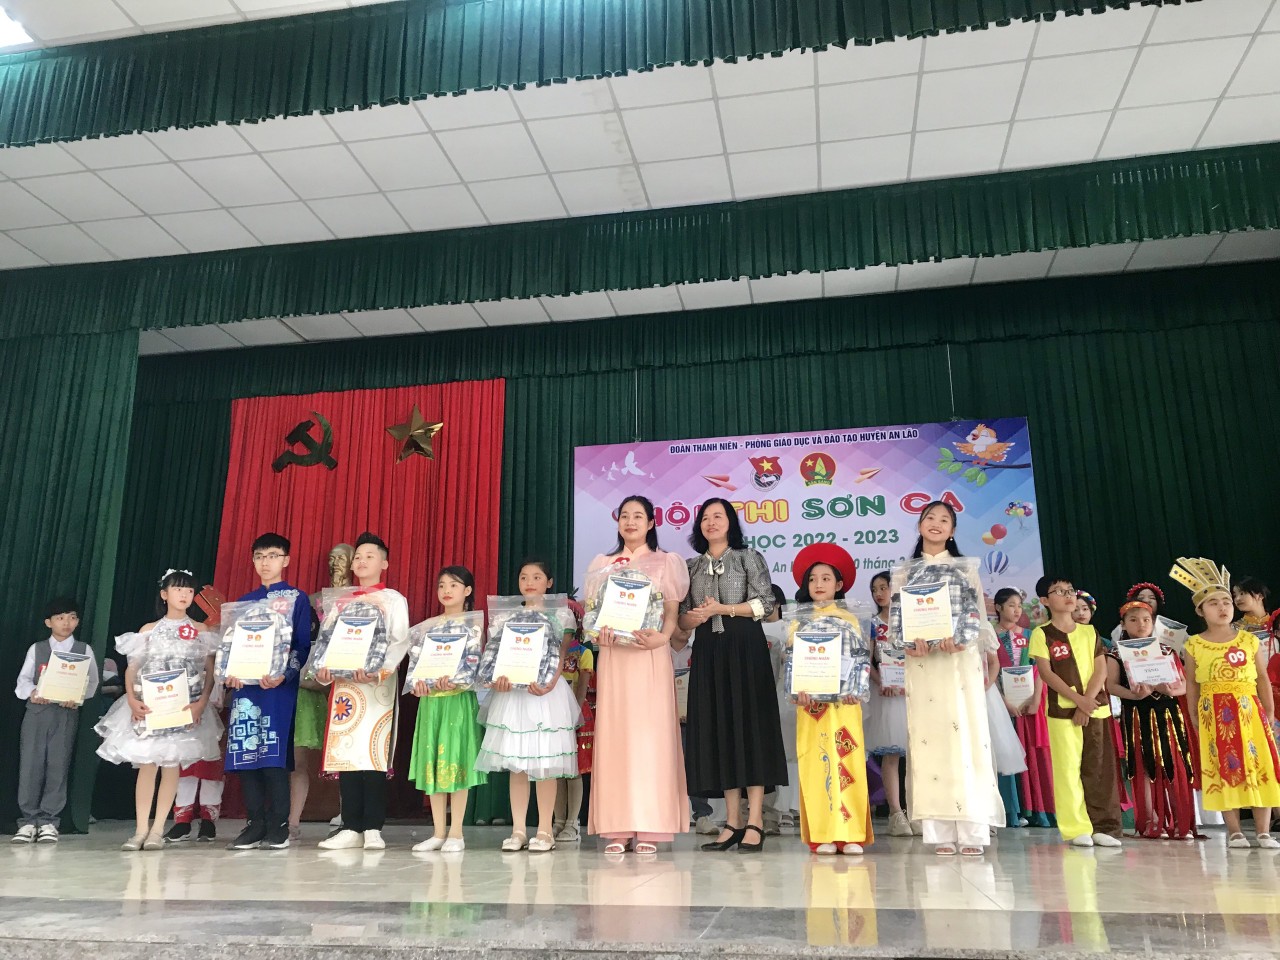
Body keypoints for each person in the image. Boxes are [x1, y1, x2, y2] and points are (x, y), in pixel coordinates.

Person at [891, 501, 1002, 856]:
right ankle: (939, 831)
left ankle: (972, 831)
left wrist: (965, 641)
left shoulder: (965, 568)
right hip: (923, 665)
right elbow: (896, 620)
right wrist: (909, 645)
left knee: (965, 737)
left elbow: (978, 615)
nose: (936, 524)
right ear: (920, 525)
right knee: (930, 740)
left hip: (959, 662)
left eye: (944, 520)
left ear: (952, 531)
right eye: (930, 518)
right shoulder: (905, 571)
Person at [678, 498, 787, 853]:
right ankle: (732, 821)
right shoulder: (691, 566)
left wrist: (723, 608)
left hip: (746, 649)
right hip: (708, 652)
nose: (711, 522)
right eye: (705, 517)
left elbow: (766, 604)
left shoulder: (748, 557)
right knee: (719, 731)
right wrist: (694, 618)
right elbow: (682, 618)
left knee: (749, 728)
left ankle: (755, 819)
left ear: (730, 523)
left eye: (718, 516)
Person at [586, 495, 691, 854]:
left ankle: (651, 825)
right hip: (615, 657)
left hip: (650, 654)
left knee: (651, 737)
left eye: (638, 516)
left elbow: (672, 613)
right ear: (617, 522)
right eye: (624, 516)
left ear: (651, 523)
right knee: (616, 736)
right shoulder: (602, 564)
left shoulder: (666, 562)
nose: (630, 522)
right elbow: (593, 612)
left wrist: (664, 637)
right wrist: (597, 634)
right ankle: (617, 826)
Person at [95, 569, 222, 851]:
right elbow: (133, 668)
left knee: (171, 764)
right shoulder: (148, 630)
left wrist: (201, 702)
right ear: (164, 594)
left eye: (189, 590)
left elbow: (210, 671)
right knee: (148, 765)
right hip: (152, 705)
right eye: (178, 589)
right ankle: (140, 830)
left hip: (182, 707)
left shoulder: (200, 631)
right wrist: (131, 698)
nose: (184, 595)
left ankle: (157, 830)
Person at [476, 559, 581, 853]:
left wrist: (548, 683)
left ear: (549, 582)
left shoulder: (562, 614)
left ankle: (545, 830)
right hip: (513, 697)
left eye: (537, 577)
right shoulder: (506, 616)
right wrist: (497, 679)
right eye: (524, 577)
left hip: (546, 695)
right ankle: (519, 830)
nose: (529, 582)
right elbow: (496, 655)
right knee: (517, 764)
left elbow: (561, 654)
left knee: (544, 763)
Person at [314, 532, 411, 851]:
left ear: (385, 563)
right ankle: (350, 825)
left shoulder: (393, 599)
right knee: (347, 753)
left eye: (370, 556)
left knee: (373, 751)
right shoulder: (340, 601)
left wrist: (379, 669)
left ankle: (372, 826)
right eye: (358, 556)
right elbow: (326, 641)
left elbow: (400, 640)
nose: (361, 561)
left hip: (376, 686)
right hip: (346, 687)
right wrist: (323, 668)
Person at [1174, 557, 1280, 849]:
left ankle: (1263, 831)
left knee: (1259, 765)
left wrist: (1269, 711)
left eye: (1226, 602)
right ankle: (1234, 831)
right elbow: (1192, 685)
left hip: (1250, 710)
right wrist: (1194, 717)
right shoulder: (1194, 645)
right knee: (1222, 768)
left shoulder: (1248, 640)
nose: (1222, 607)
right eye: (1213, 603)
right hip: (1214, 713)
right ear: (1200, 610)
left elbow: (1262, 678)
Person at [223, 533, 312, 850]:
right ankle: (254, 823)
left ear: (286, 560)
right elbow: (231, 646)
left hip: (277, 689)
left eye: (273, 555)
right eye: (259, 556)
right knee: (246, 755)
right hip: (246, 690)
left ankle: (279, 824)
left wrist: (284, 675)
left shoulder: (297, 599)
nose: (266, 562)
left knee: (273, 757)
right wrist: (230, 673)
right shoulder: (244, 603)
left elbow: (302, 646)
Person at [789, 549, 873, 856]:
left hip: (844, 706)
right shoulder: (798, 621)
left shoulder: (850, 619)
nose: (818, 584)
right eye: (813, 579)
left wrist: (856, 689)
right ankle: (822, 834)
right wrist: (796, 691)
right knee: (815, 763)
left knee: (847, 762)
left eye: (826, 578)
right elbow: (792, 662)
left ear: (839, 585)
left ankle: (850, 834)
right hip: (811, 708)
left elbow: (861, 660)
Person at [1029, 574, 1122, 848]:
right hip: (1062, 711)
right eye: (1059, 591)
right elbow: (1047, 673)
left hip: (1095, 708)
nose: (1068, 595)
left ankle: (1104, 826)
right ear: (1045, 600)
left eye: (1070, 590)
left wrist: (1087, 701)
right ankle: (1076, 827)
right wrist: (1077, 700)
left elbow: (1101, 669)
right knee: (1068, 769)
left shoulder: (1090, 632)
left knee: (1100, 768)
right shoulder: (1042, 633)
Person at [409, 566, 487, 853]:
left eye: (453, 585)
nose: (446, 591)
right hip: (432, 702)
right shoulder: (427, 628)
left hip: (457, 701)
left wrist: (456, 680)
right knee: (433, 763)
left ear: (467, 591)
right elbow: (416, 666)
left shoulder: (472, 627)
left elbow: (473, 665)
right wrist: (417, 683)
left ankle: (456, 833)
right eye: (442, 585)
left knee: (456, 761)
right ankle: (438, 832)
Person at [1105, 600, 1196, 840]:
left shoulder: (1166, 650)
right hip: (1137, 714)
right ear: (1123, 624)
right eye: (1133, 620)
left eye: (1146, 620)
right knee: (1143, 766)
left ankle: (1180, 820)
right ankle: (1149, 820)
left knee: (1173, 763)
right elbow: (1110, 685)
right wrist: (1132, 694)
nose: (1141, 624)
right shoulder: (1115, 653)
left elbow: (1184, 684)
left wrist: (1170, 690)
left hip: (1168, 714)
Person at [11, 598, 100, 844]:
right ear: (48, 622)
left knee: (57, 765)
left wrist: (78, 697)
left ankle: (49, 821)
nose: (66, 623)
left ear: (78, 621)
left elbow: (92, 682)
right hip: (37, 713)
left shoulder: (83, 650)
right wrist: (33, 693)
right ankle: (28, 821)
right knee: (31, 765)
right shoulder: (37, 649)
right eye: (60, 618)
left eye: (72, 617)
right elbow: (22, 681)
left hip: (65, 713)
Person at [292, 542, 352, 840]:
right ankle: (291, 819)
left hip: (348, 679)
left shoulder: (360, 600)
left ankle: (347, 811)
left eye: (342, 558)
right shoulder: (312, 600)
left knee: (346, 747)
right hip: (311, 678)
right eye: (331, 558)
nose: (335, 563)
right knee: (298, 753)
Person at [993, 587, 1054, 828]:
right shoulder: (990, 636)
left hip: (1030, 706)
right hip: (1002, 705)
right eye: (1011, 605)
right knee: (1006, 754)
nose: (1017, 610)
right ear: (998, 608)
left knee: (1034, 755)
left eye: (1019, 605)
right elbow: (988, 672)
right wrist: (1003, 702)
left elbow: (1040, 668)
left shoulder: (1031, 635)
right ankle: (1012, 811)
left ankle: (1039, 810)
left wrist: (1036, 699)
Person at [862, 570, 912, 836]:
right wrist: (881, 680)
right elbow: (866, 659)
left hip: (913, 692)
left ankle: (917, 810)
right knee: (891, 754)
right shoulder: (872, 624)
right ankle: (896, 813)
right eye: (875, 589)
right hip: (886, 694)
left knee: (918, 755)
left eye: (884, 587)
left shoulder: (912, 620)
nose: (879, 593)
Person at [670, 624, 716, 833]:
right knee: (664, 768)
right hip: (664, 721)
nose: (685, 629)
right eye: (680, 624)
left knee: (697, 766)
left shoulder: (698, 651)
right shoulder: (659, 653)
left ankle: (702, 815)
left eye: (688, 625)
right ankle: (665, 816)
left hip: (693, 719)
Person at [554, 630, 594, 844]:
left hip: (575, 714)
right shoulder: (551, 650)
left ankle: (572, 823)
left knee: (574, 770)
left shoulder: (583, 652)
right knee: (556, 771)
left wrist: (574, 713)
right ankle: (558, 821)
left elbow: (582, 687)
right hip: (552, 712)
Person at [1233, 576, 1273, 661]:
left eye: (1242, 593)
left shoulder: (1276, 622)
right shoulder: (1234, 629)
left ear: (1260, 596)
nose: (1237, 599)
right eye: (1235, 595)